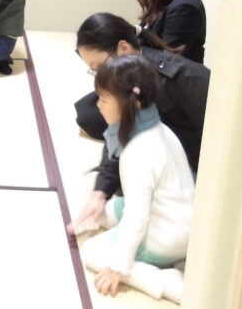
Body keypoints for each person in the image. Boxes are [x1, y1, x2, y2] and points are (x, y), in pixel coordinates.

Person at [71, 13, 208, 234]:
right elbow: (117, 132)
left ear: (124, 48)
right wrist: (100, 192)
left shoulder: (182, 79)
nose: (98, 75)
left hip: (191, 178)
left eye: (98, 67)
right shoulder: (129, 75)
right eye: (93, 70)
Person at [73, 54, 193, 303]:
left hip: (165, 236)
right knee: (107, 211)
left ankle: (169, 281)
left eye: (104, 99)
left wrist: (118, 266)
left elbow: (137, 216)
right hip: (184, 221)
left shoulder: (138, 151)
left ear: (132, 104)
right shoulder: (159, 127)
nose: (98, 105)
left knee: (92, 252)